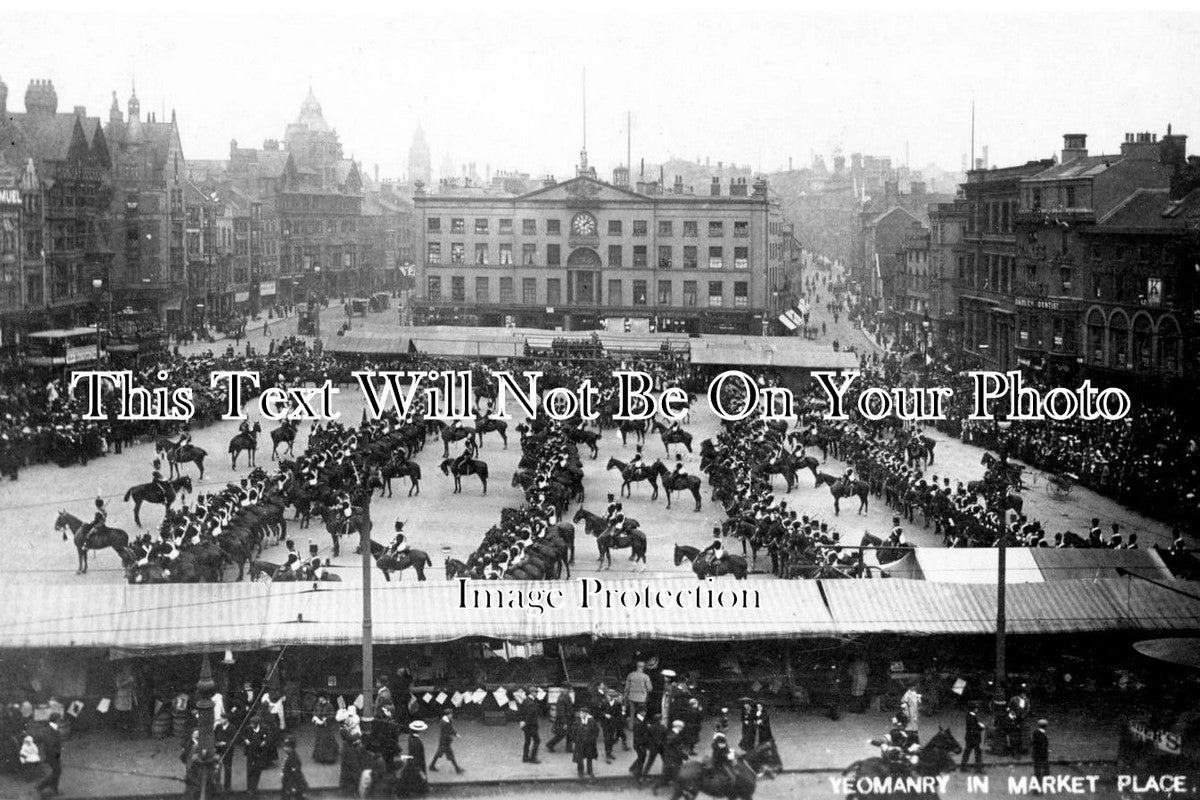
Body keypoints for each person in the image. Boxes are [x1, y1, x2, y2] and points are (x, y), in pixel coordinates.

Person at [397, 720, 428, 798]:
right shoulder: (416, 742)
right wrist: (421, 772)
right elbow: (416, 756)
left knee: (408, 777)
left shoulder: (411, 738)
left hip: (412, 762)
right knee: (411, 777)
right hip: (416, 763)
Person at [34, 712, 62, 797]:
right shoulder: (51, 730)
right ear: (56, 720)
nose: (60, 721)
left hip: (53, 753)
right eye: (59, 719)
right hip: (53, 754)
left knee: (57, 771)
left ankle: (54, 789)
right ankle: (41, 786)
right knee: (57, 771)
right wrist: (56, 754)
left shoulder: (51, 728)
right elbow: (50, 744)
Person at [243, 715, 271, 796]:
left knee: (257, 770)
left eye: (253, 724)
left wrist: (265, 741)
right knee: (249, 770)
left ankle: (254, 787)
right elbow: (242, 735)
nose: (251, 725)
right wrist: (246, 740)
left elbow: (269, 736)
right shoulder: (248, 728)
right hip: (250, 752)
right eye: (251, 723)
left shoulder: (264, 728)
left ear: (257, 724)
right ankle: (249, 788)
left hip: (260, 753)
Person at [428, 710, 463, 774]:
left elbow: (450, 728)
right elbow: (447, 732)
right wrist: (452, 737)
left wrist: (455, 734)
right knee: (450, 755)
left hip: (444, 741)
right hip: (445, 742)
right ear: (448, 715)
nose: (452, 715)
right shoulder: (444, 722)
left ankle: (432, 766)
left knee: (439, 754)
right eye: (451, 714)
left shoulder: (447, 720)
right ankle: (457, 769)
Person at [571, 708, 600, 779]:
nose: (582, 714)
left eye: (583, 713)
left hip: (589, 743)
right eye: (581, 713)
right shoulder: (577, 721)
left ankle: (590, 771)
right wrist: (575, 740)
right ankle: (580, 772)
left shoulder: (591, 721)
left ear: (587, 714)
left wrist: (593, 738)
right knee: (579, 758)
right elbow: (573, 731)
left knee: (589, 757)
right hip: (580, 743)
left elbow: (596, 730)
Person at [311, 695, 338, 764]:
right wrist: (315, 717)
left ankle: (329, 758)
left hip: (327, 727)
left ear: (324, 698)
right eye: (319, 698)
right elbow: (314, 712)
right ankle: (319, 758)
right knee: (319, 741)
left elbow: (332, 714)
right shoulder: (317, 704)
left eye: (321, 698)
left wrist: (326, 718)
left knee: (327, 741)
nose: (319, 699)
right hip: (319, 727)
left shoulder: (329, 705)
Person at [280, 735, 308, 800]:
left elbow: (296, 774)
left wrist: (293, 786)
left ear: (291, 747)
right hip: (287, 782)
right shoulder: (289, 755)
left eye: (286, 747)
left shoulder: (293, 758)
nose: (284, 748)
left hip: (292, 783)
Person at [624, 660, 652, 725]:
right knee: (641, 713)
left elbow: (626, 688)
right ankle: (639, 727)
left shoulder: (630, 675)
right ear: (643, 667)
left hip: (631, 698)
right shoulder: (646, 676)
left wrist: (625, 696)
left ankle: (631, 727)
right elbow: (650, 689)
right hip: (642, 699)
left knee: (631, 713)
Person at [214, 711, 236, 791]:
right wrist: (217, 743)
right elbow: (214, 737)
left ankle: (227, 786)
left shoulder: (232, 727)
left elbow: (234, 739)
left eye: (222, 719)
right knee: (217, 768)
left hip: (228, 751)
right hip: (218, 750)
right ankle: (217, 784)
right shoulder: (218, 727)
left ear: (226, 719)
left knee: (228, 768)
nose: (220, 720)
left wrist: (226, 744)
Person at [961, 703, 985, 774]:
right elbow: (974, 728)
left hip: (969, 737)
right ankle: (978, 769)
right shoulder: (972, 717)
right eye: (976, 708)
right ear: (974, 709)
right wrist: (981, 727)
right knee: (977, 753)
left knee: (967, 752)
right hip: (974, 738)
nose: (977, 709)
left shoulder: (969, 715)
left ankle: (963, 766)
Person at [520, 690, 541, 763]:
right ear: (532, 693)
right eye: (536, 692)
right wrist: (527, 724)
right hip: (531, 725)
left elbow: (522, 711)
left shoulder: (525, 700)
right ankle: (533, 758)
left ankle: (525, 757)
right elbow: (530, 715)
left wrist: (522, 722)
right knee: (537, 740)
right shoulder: (532, 703)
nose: (537, 694)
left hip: (526, 725)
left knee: (527, 741)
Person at [630, 710, 652, 779]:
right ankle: (637, 774)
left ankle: (632, 768)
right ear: (640, 712)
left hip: (639, 743)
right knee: (642, 758)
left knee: (641, 756)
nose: (645, 713)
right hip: (640, 744)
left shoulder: (640, 720)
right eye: (643, 711)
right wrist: (642, 744)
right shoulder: (638, 723)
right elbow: (638, 735)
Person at [1031, 719, 1050, 793]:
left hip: (1035, 755)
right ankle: (1036, 789)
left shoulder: (1035, 733)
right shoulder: (1043, 736)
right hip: (1041, 756)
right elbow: (1043, 747)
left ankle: (1036, 788)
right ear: (1045, 726)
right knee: (1038, 773)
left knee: (1037, 772)